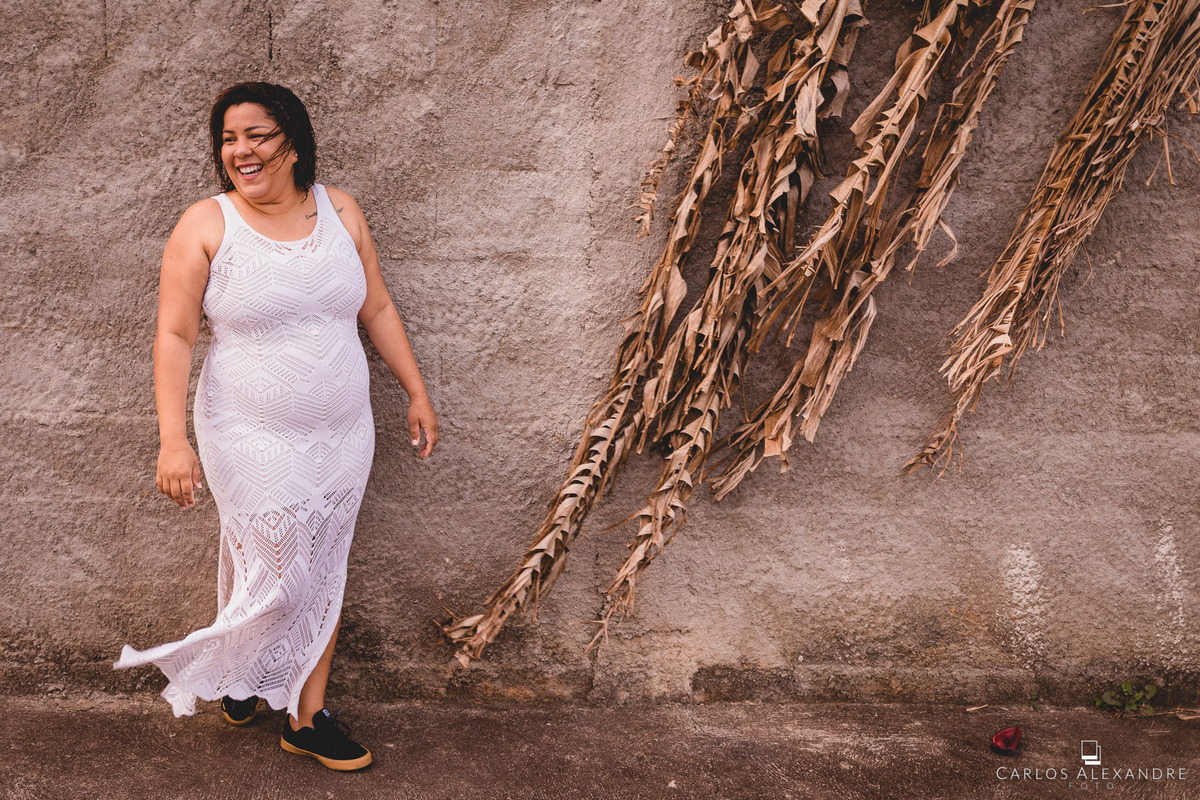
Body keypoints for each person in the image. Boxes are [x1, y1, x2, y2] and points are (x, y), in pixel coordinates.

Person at [114, 82, 437, 772]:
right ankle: (261, 681)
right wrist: (174, 439)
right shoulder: (206, 225)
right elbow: (173, 336)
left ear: (293, 138)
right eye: (229, 139)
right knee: (283, 564)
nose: (241, 151)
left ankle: (298, 711)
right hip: (246, 430)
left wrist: (415, 389)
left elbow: (375, 306)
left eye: (256, 135)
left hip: (345, 430)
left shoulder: (341, 210)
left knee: (322, 561)